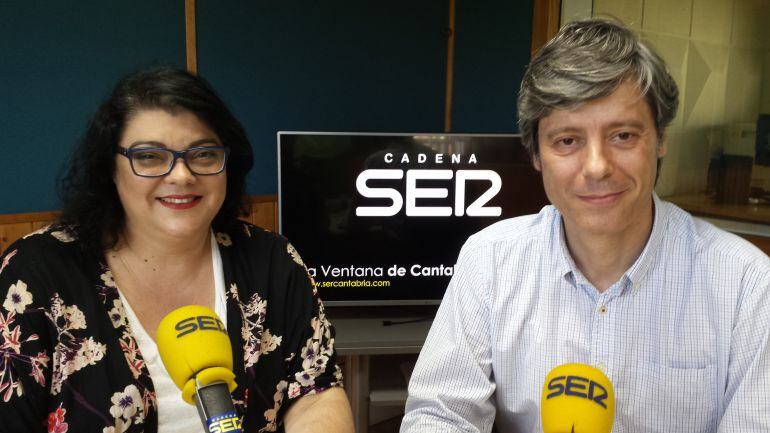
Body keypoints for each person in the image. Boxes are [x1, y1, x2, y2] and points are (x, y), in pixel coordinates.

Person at [400, 18, 770, 433]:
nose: (596, 167)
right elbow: (439, 415)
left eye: (624, 136)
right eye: (567, 141)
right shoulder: (489, 261)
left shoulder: (746, 285)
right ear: (536, 155)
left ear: (661, 139)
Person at [0, 67, 354, 433]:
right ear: (110, 167)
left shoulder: (273, 260)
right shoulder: (35, 275)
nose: (182, 175)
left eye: (203, 154)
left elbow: (315, 391)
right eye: (150, 157)